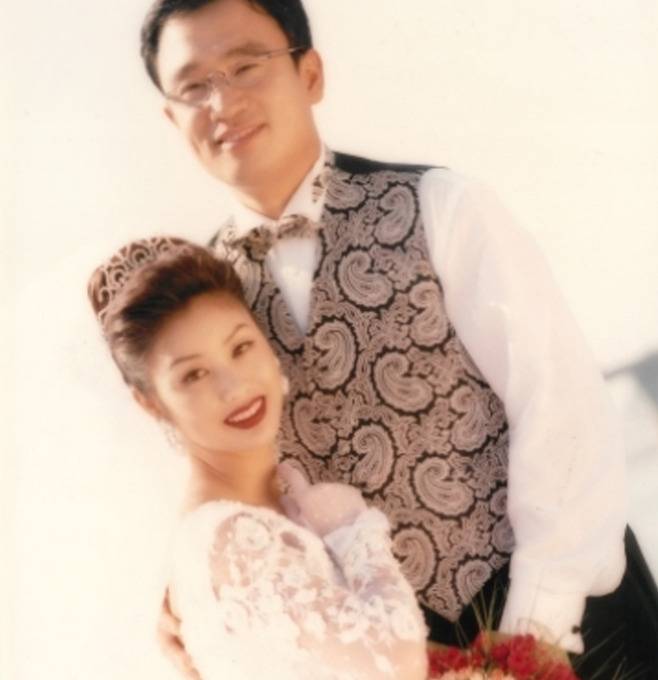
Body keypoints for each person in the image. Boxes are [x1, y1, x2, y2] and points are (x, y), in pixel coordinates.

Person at [139, 0, 658, 676]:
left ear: (310, 74)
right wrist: (192, 595)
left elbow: (562, 411)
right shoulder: (199, 307)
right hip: (399, 659)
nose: (223, 101)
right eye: (193, 86)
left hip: (579, 624)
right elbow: (221, 485)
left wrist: (533, 632)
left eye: (246, 66)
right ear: (170, 119)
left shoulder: (443, 205)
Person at [87, 236, 429, 680]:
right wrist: (351, 528)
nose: (235, 387)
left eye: (240, 347)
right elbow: (397, 667)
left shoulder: (267, 507)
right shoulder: (232, 536)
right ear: (150, 402)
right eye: (194, 374)